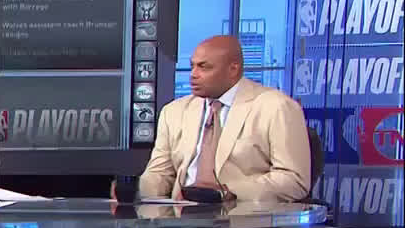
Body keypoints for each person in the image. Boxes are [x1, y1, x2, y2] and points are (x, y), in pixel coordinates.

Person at [132, 35, 310, 202]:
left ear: (233, 69)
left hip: (243, 217)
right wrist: (135, 191)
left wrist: (227, 192)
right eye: (192, 66)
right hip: (180, 215)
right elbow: (160, 174)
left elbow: (294, 180)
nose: (193, 74)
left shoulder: (276, 107)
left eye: (204, 67)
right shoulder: (174, 112)